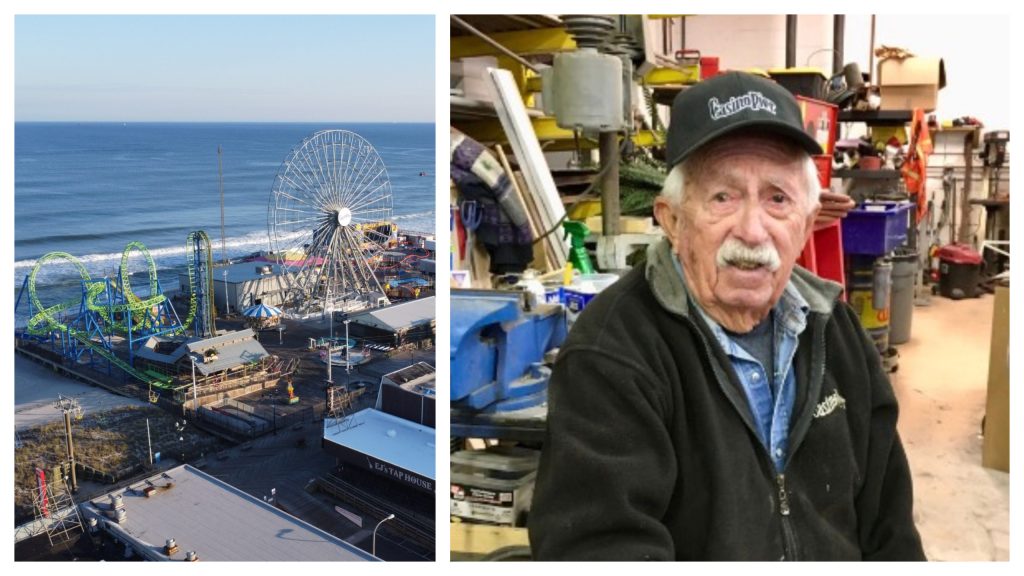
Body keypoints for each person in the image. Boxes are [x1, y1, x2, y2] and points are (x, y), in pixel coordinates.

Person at [528, 72, 925, 561]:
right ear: (671, 219)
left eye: (777, 198)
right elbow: (600, 548)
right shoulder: (613, 353)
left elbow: (890, 527)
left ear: (806, 221)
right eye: (723, 197)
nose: (753, 230)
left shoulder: (836, 332)